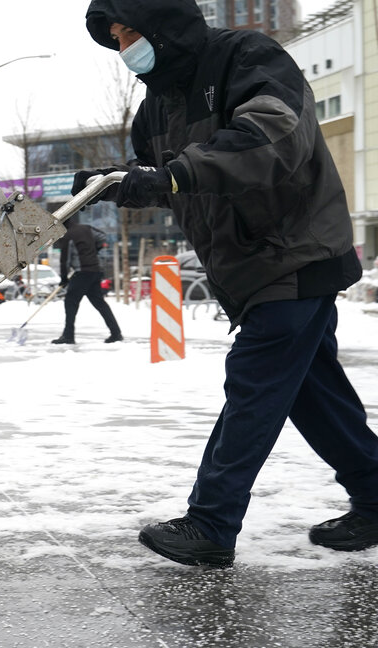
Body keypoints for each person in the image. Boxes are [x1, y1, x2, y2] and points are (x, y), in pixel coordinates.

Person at [76, 0, 378, 566]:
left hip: (294, 250)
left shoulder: (246, 57)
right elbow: (153, 175)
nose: (124, 50)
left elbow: (271, 136)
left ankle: (212, 523)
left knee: (254, 384)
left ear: (162, 24)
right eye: (115, 40)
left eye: (129, 33)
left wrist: (173, 174)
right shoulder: (155, 108)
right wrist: (111, 184)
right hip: (249, 267)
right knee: (314, 396)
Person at [51, 215, 122, 344]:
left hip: (83, 272)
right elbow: (102, 237)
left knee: (70, 302)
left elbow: (65, 261)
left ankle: (68, 336)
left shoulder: (67, 236)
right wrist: (95, 249)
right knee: (100, 303)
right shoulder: (86, 228)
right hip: (95, 270)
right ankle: (116, 333)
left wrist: (63, 278)